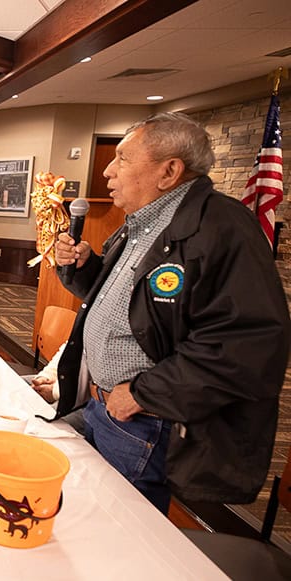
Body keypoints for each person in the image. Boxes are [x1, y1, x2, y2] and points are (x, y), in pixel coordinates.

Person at [53, 112, 290, 511]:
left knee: (117, 541)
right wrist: (85, 268)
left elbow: (246, 346)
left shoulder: (223, 228)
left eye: (123, 159)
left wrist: (142, 396)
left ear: (169, 171)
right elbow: (126, 303)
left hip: (144, 420)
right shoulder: (142, 223)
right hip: (103, 405)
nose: (108, 171)